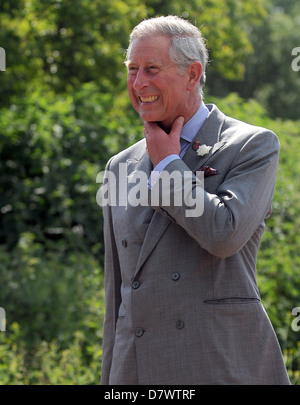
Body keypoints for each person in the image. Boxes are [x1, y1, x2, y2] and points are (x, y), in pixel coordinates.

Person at [100, 15, 290, 385]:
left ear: (192, 74)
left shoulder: (252, 145)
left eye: (152, 69)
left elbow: (224, 235)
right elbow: (117, 299)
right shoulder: (118, 165)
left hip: (219, 365)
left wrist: (169, 164)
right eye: (133, 69)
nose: (139, 84)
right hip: (137, 372)